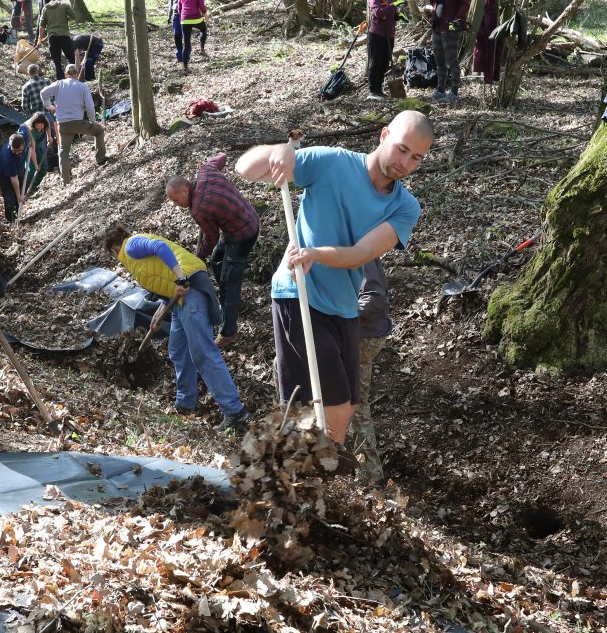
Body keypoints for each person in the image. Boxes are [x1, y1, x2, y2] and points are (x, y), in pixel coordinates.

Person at [235, 110, 433, 448]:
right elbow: (245, 168)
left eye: (416, 158)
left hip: (343, 306)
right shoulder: (333, 163)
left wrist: (316, 254)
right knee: (328, 410)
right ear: (384, 135)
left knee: (346, 409)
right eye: (402, 149)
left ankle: (318, 470)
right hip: (300, 293)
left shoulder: (405, 207)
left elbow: (360, 253)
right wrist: (279, 151)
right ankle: (303, 469)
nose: (405, 163)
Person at [104, 225, 250, 431]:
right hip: (178, 302)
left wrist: (181, 277)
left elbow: (160, 247)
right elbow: (162, 279)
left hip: (191, 293)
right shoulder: (134, 259)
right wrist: (159, 313)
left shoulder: (131, 245)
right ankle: (186, 404)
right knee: (178, 350)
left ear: (114, 250)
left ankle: (235, 412)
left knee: (203, 352)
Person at [165, 152, 260, 348]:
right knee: (216, 260)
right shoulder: (206, 170)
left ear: (185, 191)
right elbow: (221, 157)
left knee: (229, 282)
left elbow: (211, 239)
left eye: (176, 200)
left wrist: (197, 258)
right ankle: (231, 298)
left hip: (243, 233)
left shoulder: (199, 209)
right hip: (242, 219)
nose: (176, 205)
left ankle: (228, 332)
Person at [349, 259, 391, 485]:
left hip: (361, 337)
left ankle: (370, 476)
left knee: (355, 404)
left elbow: (374, 298)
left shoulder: (360, 251)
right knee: (352, 403)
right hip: (357, 334)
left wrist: (339, 315)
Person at [41, 64, 106, 183]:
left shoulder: (58, 84)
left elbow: (43, 93)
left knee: (63, 151)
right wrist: (93, 121)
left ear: (66, 74)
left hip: (62, 124)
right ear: (77, 73)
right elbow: (90, 106)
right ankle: (100, 159)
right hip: (78, 122)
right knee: (99, 130)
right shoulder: (82, 86)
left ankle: (65, 180)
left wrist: (49, 106)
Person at [423, 0, 471, 103]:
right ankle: (440, 89)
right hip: (437, 25)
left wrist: (457, 20)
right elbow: (435, 1)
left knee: (451, 59)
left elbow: (465, 2)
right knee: (439, 59)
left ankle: (454, 91)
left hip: (451, 27)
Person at [367, 0, 399, 101]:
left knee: (385, 62)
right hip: (377, 33)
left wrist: (398, 15)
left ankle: (379, 90)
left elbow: (393, 13)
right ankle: (373, 91)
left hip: (390, 33)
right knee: (376, 62)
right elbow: (377, 12)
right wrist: (393, 6)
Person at [40, 0, 77, 79]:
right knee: (71, 59)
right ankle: (73, 78)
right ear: (59, 0)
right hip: (64, 36)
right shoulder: (65, 5)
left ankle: (60, 81)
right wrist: (66, 17)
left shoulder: (46, 8)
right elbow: (74, 17)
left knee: (57, 62)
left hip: (52, 37)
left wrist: (40, 39)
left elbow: (41, 26)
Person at [0, 133, 27, 223]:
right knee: (10, 196)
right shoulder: (7, 156)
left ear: (23, 145)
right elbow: (14, 178)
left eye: (19, 150)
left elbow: (26, 128)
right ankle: (11, 219)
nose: (17, 153)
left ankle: (18, 216)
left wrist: (32, 143)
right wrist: (18, 195)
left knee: (19, 193)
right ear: (10, 146)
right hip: (4, 174)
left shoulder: (24, 139)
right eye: (14, 151)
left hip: (19, 170)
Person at [177, 0, 207, 71]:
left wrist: (184, 16)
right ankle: (202, 49)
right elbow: (202, 6)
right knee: (204, 30)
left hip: (184, 20)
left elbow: (179, 9)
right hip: (196, 18)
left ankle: (185, 67)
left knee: (186, 44)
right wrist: (205, 15)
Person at [18, 111, 52, 195]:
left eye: (41, 125)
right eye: (37, 125)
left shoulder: (45, 123)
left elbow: (48, 126)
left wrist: (49, 137)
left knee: (44, 167)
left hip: (38, 147)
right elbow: (32, 149)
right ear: (34, 124)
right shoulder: (31, 132)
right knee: (31, 170)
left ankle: (38, 186)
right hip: (29, 150)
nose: (39, 127)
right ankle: (30, 189)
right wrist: (36, 164)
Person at [168, 0, 186, 65]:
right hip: (175, 14)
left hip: (185, 14)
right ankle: (179, 56)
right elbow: (171, 1)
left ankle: (186, 55)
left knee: (185, 35)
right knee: (177, 35)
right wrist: (169, 15)